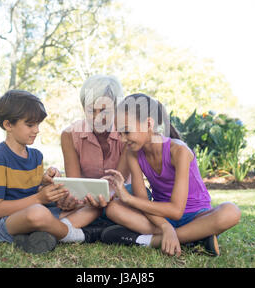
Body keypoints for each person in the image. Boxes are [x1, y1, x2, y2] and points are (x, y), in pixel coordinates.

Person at [100, 93, 241, 257]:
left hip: (196, 216)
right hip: (160, 218)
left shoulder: (179, 151)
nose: (123, 139)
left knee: (231, 211)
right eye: (120, 133)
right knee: (113, 208)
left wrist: (128, 198)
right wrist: (165, 226)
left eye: (126, 132)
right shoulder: (133, 153)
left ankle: (150, 241)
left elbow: (176, 211)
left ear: (148, 124)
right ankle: (195, 238)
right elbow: (143, 203)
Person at [0, 90, 104, 255]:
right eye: (30, 125)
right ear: (8, 125)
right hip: (2, 223)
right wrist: (39, 198)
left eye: (38, 124)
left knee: (92, 207)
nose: (36, 130)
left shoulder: (36, 156)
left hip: (35, 212)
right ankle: (77, 235)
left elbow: (29, 189)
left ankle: (41, 234)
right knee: (37, 212)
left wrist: (47, 184)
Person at [58, 75, 133, 222]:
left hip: (119, 197)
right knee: (65, 212)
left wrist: (102, 200)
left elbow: (118, 184)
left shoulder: (127, 134)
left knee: (113, 208)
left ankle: (75, 228)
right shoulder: (69, 135)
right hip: (85, 200)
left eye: (105, 111)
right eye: (92, 110)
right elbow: (75, 183)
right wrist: (72, 199)